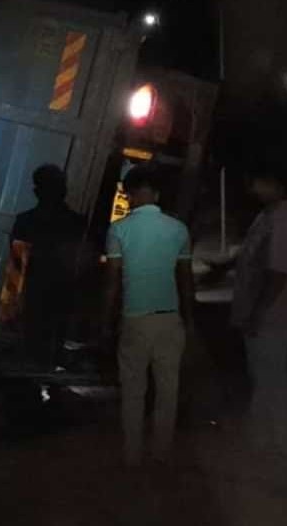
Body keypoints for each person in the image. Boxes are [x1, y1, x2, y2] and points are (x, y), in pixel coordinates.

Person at [101, 166, 194, 465]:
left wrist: (106, 320)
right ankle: (161, 455)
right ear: (157, 194)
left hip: (135, 318)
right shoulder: (178, 229)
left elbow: (113, 282)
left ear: (128, 195)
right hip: (170, 318)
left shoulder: (119, 230)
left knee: (133, 389)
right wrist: (189, 320)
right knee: (168, 389)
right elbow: (185, 280)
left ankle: (132, 456)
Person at [231, 164, 287, 465]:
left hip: (271, 316)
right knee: (264, 379)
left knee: (273, 380)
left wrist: (257, 314)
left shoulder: (286, 220)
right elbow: (253, 257)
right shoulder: (268, 216)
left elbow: (277, 274)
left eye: (257, 183)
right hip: (261, 314)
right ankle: (264, 443)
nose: (253, 190)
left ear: (274, 182)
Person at [11, 164, 89, 367]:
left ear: (37, 191)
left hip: (33, 295)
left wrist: (11, 304)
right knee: (51, 353)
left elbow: (17, 267)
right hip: (63, 296)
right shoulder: (77, 223)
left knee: (29, 351)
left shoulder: (25, 221)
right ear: (64, 190)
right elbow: (81, 265)